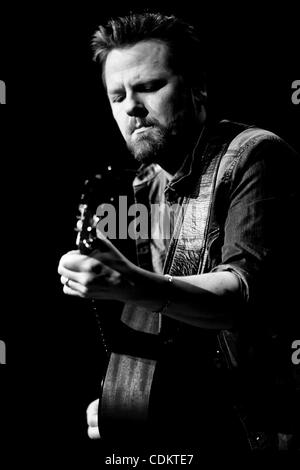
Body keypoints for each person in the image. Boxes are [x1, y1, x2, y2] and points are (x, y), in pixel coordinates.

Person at [58, 11, 300, 453]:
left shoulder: (255, 157)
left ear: (197, 87)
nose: (131, 107)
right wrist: (127, 403)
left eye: (150, 87)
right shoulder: (144, 185)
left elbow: (243, 298)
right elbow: (182, 337)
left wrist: (130, 284)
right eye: (117, 96)